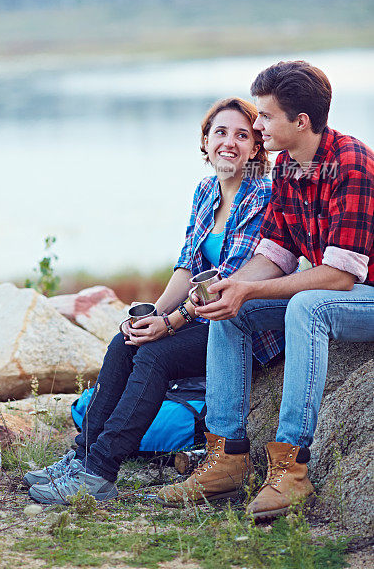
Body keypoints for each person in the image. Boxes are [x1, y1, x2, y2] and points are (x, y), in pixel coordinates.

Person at [26, 96, 284, 504]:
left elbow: (224, 282)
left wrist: (171, 323)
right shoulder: (206, 191)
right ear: (205, 140)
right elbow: (186, 267)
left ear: (256, 147)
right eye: (221, 132)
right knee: (126, 341)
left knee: (155, 356)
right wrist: (150, 316)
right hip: (202, 319)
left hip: (241, 326)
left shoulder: (262, 195)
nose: (229, 142)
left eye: (242, 134)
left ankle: (98, 474)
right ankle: (81, 459)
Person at [157, 61, 374, 520]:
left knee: (307, 307)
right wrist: (231, 285)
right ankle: (228, 457)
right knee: (231, 308)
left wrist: (253, 291)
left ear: (302, 122)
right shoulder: (286, 166)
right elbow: (275, 251)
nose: (256, 126)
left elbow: (341, 276)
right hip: (340, 292)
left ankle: (292, 470)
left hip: (363, 293)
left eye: (266, 117)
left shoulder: (353, 164)